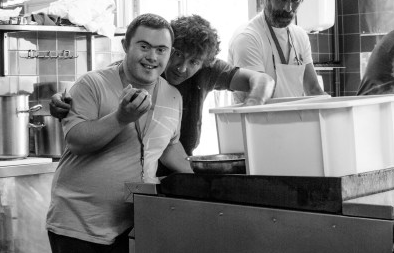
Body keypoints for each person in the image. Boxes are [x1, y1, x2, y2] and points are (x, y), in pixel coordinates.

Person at [45, 13, 189, 253]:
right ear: (126, 46)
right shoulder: (92, 83)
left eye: (161, 49)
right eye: (143, 46)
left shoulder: (173, 95)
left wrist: (198, 180)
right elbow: (76, 141)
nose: (152, 57)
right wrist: (121, 118)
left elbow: (168, 144)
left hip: (133, 224)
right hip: (79, 224)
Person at [49, 15, 276, 154]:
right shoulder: (138, 70)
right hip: (135, 167)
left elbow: (263, 80)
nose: (182, 68)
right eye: (178, 55)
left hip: (178, 160)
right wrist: (64, 103)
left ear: (204, 62)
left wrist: (253, 104)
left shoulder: (208, 70)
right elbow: (97, 90)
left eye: (193, 62)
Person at [228, 0, 325, 99]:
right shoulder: (248, 38)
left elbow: (313, 89)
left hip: (294, 114)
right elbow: (256, 99)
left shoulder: (300, 36)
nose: (288, 8)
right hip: (258, 114)